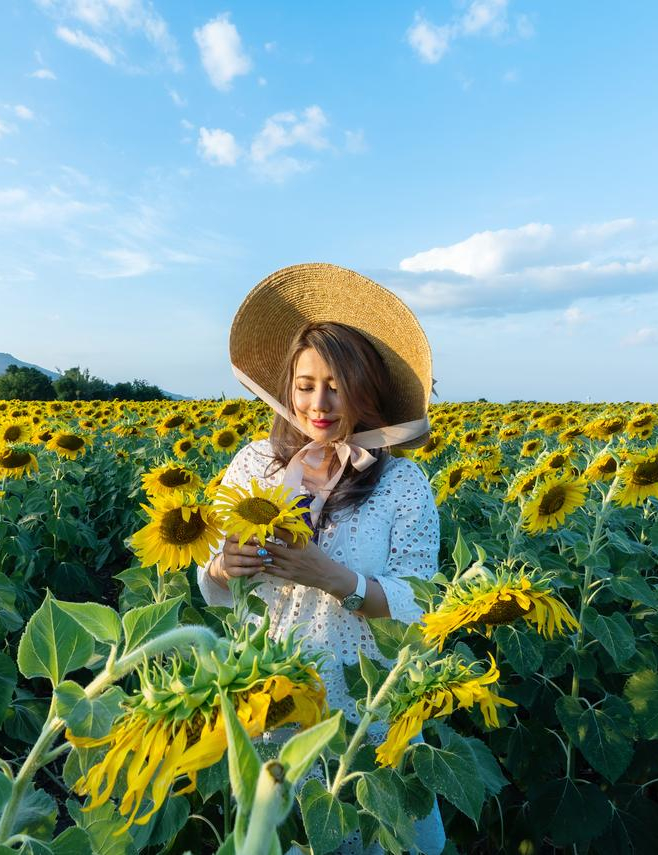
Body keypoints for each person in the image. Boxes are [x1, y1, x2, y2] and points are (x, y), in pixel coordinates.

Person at [196, 263, 446, 855]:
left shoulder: (402, 483)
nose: (319, 403)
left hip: (362, 704)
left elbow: (422, 603)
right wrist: (223, 566)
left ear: (368, 390)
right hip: (270, 691)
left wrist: (334, 578)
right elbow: (210, 574)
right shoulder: (254, 464)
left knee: (363, 825)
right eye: (305, 384)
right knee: (280, 834)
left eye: (338, 385)